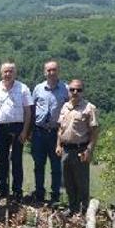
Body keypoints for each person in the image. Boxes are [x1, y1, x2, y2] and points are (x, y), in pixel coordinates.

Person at [0, 62, 32, 202]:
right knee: (2, 161)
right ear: (1, 73)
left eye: (10, 71)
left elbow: (28, 111)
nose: (8, 74)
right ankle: (2, 189)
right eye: (5, 71)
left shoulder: (23, 88)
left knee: (17, 160)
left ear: (15, 73)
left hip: (17, 127)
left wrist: (25, 131)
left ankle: (17, 191)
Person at [56, 79, 99, 215]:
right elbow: (60, 129)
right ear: (68, 91)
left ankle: (83, 209)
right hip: (66, 149)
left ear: (82, 92)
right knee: (68, 181)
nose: (75, 92)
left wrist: (89, 150)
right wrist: (58, 145)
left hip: (81, 149)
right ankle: (72, 207)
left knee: (81, 181)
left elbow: (94, 132)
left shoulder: (89, 108)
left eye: (78, 90)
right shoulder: (65, 107)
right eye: (72, 89)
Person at [31, 61, 69, 205]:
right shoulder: (38, 89)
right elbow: (32, 109)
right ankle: (39, 193)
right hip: (39, 132)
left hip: (56, 133)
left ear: (58, 71)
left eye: (54, 70)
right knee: (39, 165)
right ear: (44, 72)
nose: (51, 72)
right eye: (49, 70)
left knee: (56, 166)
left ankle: (55, 196)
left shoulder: (65, 89)